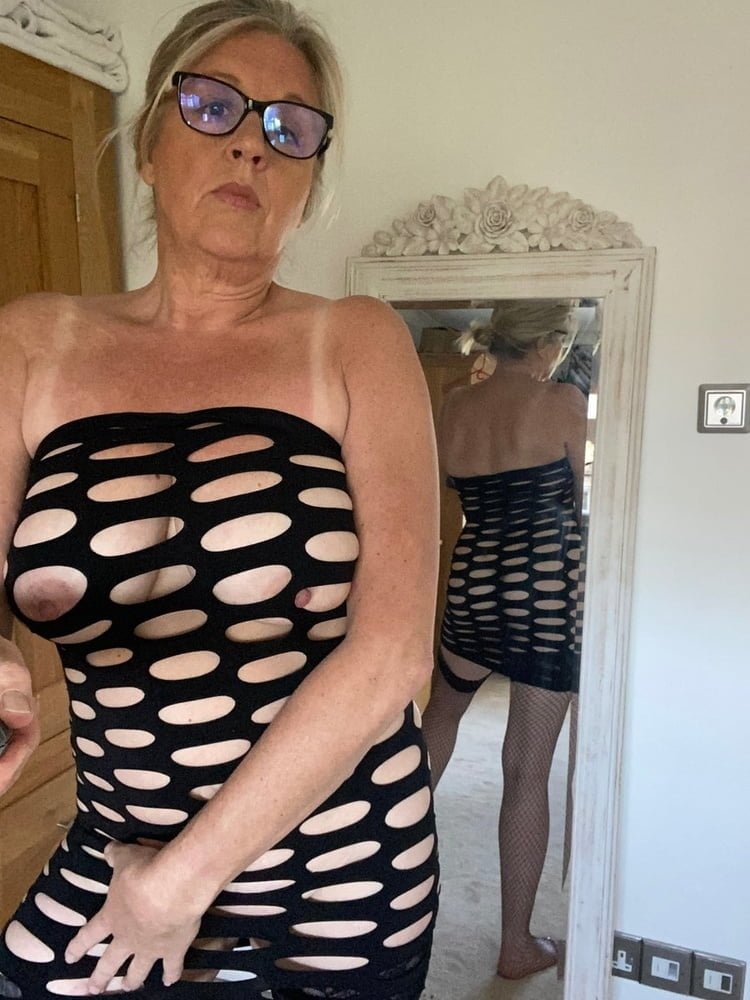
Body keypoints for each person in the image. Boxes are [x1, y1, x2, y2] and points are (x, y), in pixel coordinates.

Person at [0, 2, 440, 997]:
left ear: (310, 181)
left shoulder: (356, 339)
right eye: (212, 105)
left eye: (291, 126)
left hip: (338, 873)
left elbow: (394, 655)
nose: (252, 143)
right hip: (117, 848)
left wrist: (180, 885)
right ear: (148, 145)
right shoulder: (31, 342)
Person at [421, 299, 586, 982]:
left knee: (438, 720)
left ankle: (377, 863)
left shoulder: (456, 405)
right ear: (549, 343)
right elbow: (578, 501)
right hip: (544, 598)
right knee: (525, 771)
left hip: (473, 586)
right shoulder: (564, 403)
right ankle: (516, 944)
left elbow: (448, 487)